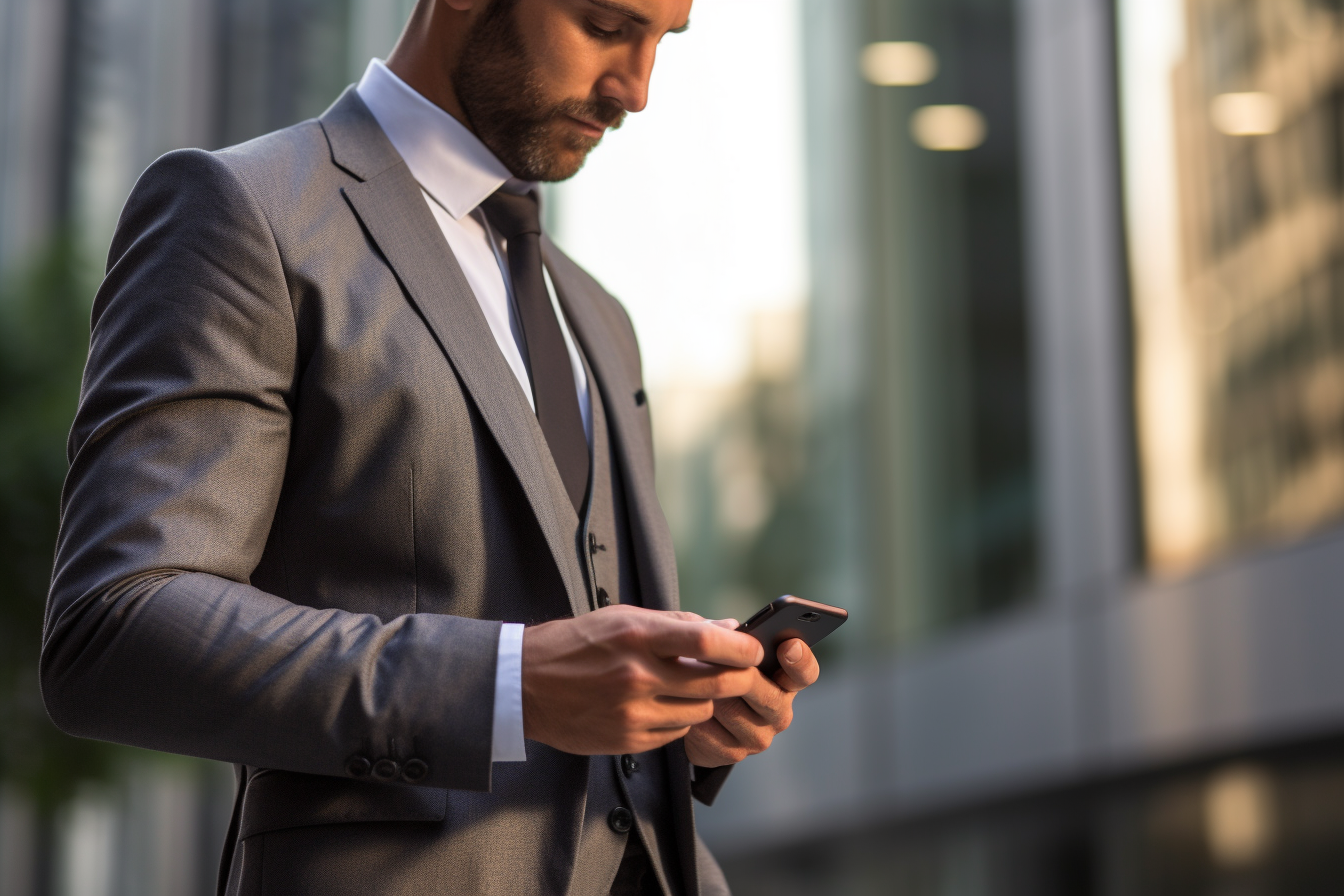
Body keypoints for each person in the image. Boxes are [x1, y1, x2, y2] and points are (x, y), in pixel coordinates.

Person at [39, 0, 822, 894]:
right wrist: (511, 685)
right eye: (607, 25)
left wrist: (678, 713)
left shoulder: (598, 315)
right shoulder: (247, 212)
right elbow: (116, 628)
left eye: (661, 43)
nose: (635, 91)